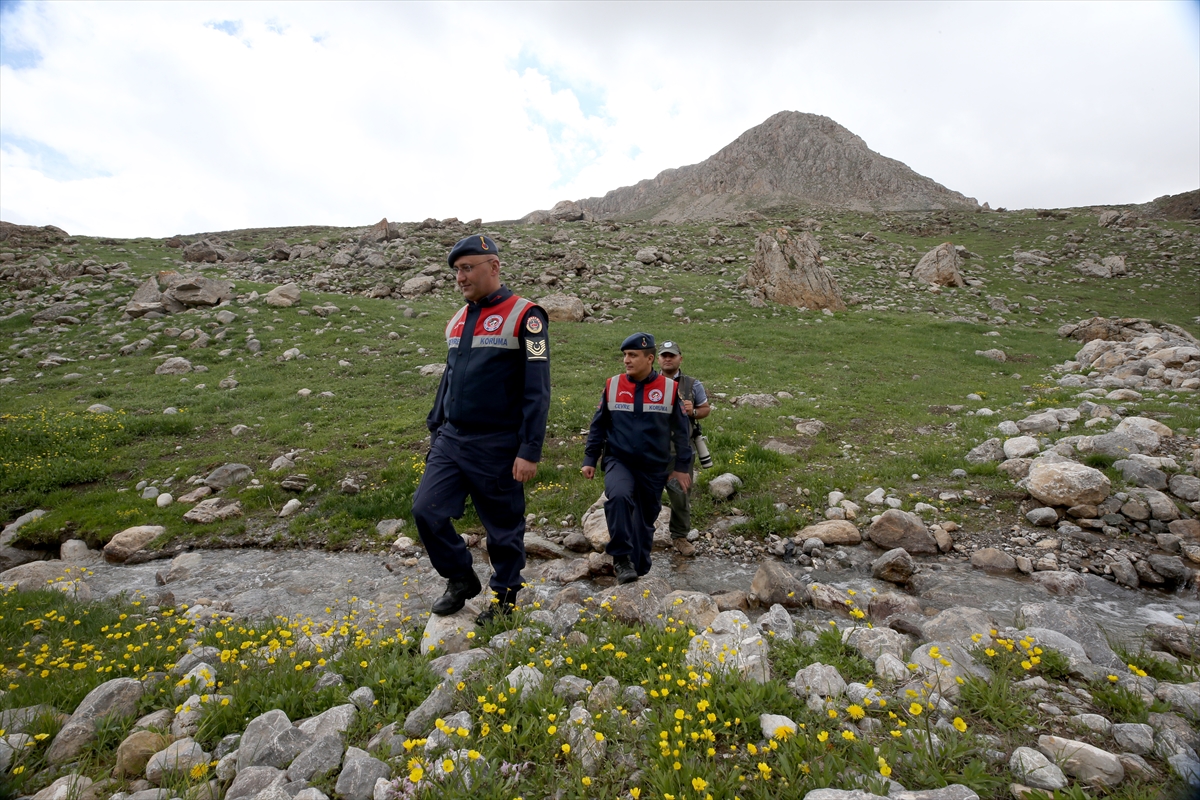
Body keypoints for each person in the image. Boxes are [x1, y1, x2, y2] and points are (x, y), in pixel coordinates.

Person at [411, 234, 550, 625]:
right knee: (426, 510)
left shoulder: (528, 317)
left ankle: (504, 600)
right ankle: (460, 577)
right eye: (456, 270)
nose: (460, 277)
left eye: (468, 267)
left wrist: (529, 449)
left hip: (499, 443)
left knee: (503, 528)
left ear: (494, 267)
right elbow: (449, 379)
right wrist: (435, 429)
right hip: (452, 438)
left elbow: (538, 389)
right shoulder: (457, 319)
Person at [581, 333, 693, 585]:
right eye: (625, 356)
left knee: (643, 527)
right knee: (619, 497)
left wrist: (683, 467)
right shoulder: (613, 385)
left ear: (649, 358)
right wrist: (590, 458)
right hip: (619, 460)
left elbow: (681, 433)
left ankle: (637, 566)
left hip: (653, 467)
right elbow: (598, 426)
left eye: (633, 355)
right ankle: (620, 557)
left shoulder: (668, 389)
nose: (626, 361)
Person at [656, 340, 710, 556]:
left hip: (680, 452)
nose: (668, 359)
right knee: (644, 495)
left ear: (680, 358)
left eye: (672, 355)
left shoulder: (692, 384)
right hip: (650, 450)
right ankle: (639, 535)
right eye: (664, 355)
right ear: (657, 359)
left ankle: (679, 537)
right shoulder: (648, 381)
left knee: (681, 496)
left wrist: (693, 412)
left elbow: (705, 409)